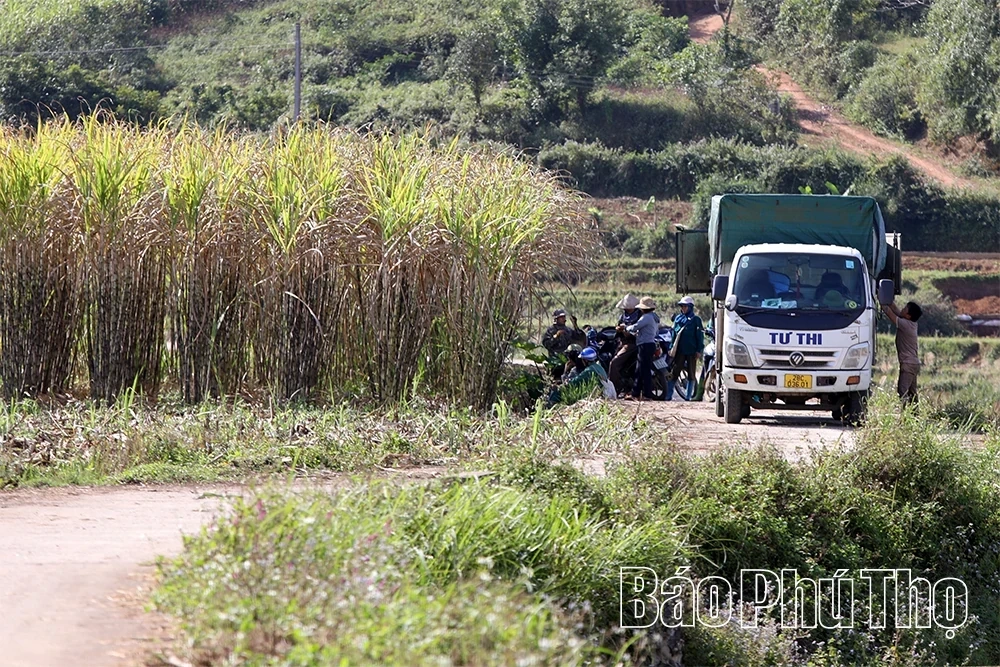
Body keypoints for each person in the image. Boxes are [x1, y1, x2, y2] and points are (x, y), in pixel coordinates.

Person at [884, 299, 923, 405]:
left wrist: (882, 301)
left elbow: (889, 313)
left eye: (905, 309)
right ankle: (915, 415)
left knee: (902, 391)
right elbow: (896, 310)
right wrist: (889, 300)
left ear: (908, 316)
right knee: (912, 393)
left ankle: (905, 416)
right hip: (913, 363)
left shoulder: (905, 324)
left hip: (908, 363)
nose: (902, 309)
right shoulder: (911, 323)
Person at [667, 296, 705, 401]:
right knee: (675, 372)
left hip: (691, 351)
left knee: (691, 374)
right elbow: (674, 335)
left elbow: (699, 337)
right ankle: (668, 395)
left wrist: (699, 350)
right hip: (679, 351)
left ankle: (688, 397)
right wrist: (671, 347)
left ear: (690, 307)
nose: (683, 308)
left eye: (685, 306)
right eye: (682, 306)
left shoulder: (696, 320)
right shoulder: (678, 319)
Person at [547, 347, 613, 406]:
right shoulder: (598, 366)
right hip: (605, 392)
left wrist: (564, 376)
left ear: (585, 360)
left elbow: (574, 382)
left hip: (600, 394)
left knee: (558, 391)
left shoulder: (589, 371)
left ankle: (549, 406)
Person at [626, 297, 660, 400]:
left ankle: (647, 394)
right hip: (650, 344)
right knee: (640, 369)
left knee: (644, 370)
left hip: (644, 345)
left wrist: (626, 327)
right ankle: (635, 393)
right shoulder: (654, 317)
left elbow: (635, 327)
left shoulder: (646, 317)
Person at [609, 293, 641, 395]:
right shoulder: (623, 316)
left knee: (613, 363)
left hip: (632, 343)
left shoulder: (640, 315)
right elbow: (618, 327)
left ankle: (615, 389)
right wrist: (618, 329)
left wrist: (627, 332)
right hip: (623, 342)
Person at [542, 309, 582, 380]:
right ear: (556, 319)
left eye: (564, 317)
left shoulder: (568, 330)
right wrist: (556, 337)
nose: (563, 319)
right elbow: (546, 344)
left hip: (567, 362)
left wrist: (575, 325)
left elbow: (579, 337)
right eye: (561, 317)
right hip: (555, 362)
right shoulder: (550, 330)